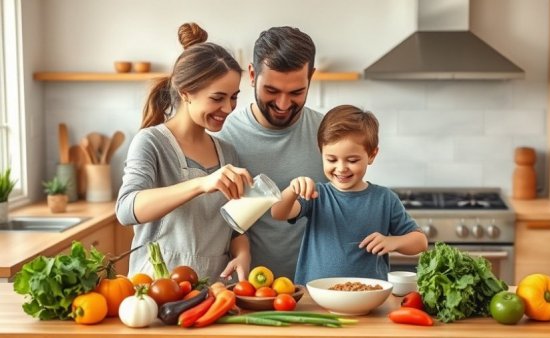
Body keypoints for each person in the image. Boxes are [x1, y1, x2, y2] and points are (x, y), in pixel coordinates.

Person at [115, 22, 253, 283]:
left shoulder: (227, 153)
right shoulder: (151, 142)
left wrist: (243, 252)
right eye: (217, 98)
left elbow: (236, 226)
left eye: (234, 97)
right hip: (156, 292)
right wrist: (201, 184)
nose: (228, 107)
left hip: (213, 295)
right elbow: (126, 209)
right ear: (186, 93)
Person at [271, 105, 428, 285]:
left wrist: (394, 242)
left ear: (372, 154)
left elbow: (420, 242)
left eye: (352, 160)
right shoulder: (317, 195)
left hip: (368, 296)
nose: (341, 168)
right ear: (320, 151)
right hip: (315, 297)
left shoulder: (385, 198)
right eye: (331, 159)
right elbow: (277, 212)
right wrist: (292, 190)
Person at [217, 26, 327, 279]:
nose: (283, 104)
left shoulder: (328, 135)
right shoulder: (223, 137)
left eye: (297, 92)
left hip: (316, 290)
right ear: (253, 75)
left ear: (311, 77)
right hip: (247, 291)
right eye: (272, 91)